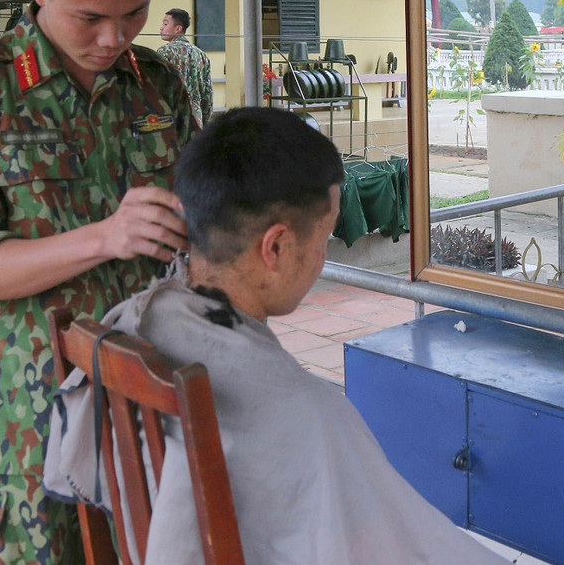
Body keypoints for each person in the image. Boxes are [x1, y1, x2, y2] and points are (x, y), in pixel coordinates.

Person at [43, 107, 508, 564]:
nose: (322, 257)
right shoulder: (310, 415)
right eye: (324, 238)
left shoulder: (137, 318)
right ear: (278, 247)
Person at [0, 0, 196, 564]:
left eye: (134, 13)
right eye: (89, 17)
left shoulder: (158, 86)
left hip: (149, 405)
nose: (113, 37)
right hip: (31, 420)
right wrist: (107, 235)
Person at [156, 7, 214, 126]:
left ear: (178, 28)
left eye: (165, 24)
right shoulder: (201, 55)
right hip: (196, 119)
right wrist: (205, 121)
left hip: (171, 117)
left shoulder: (164, 52)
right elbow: (207, 94)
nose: (161, 27)